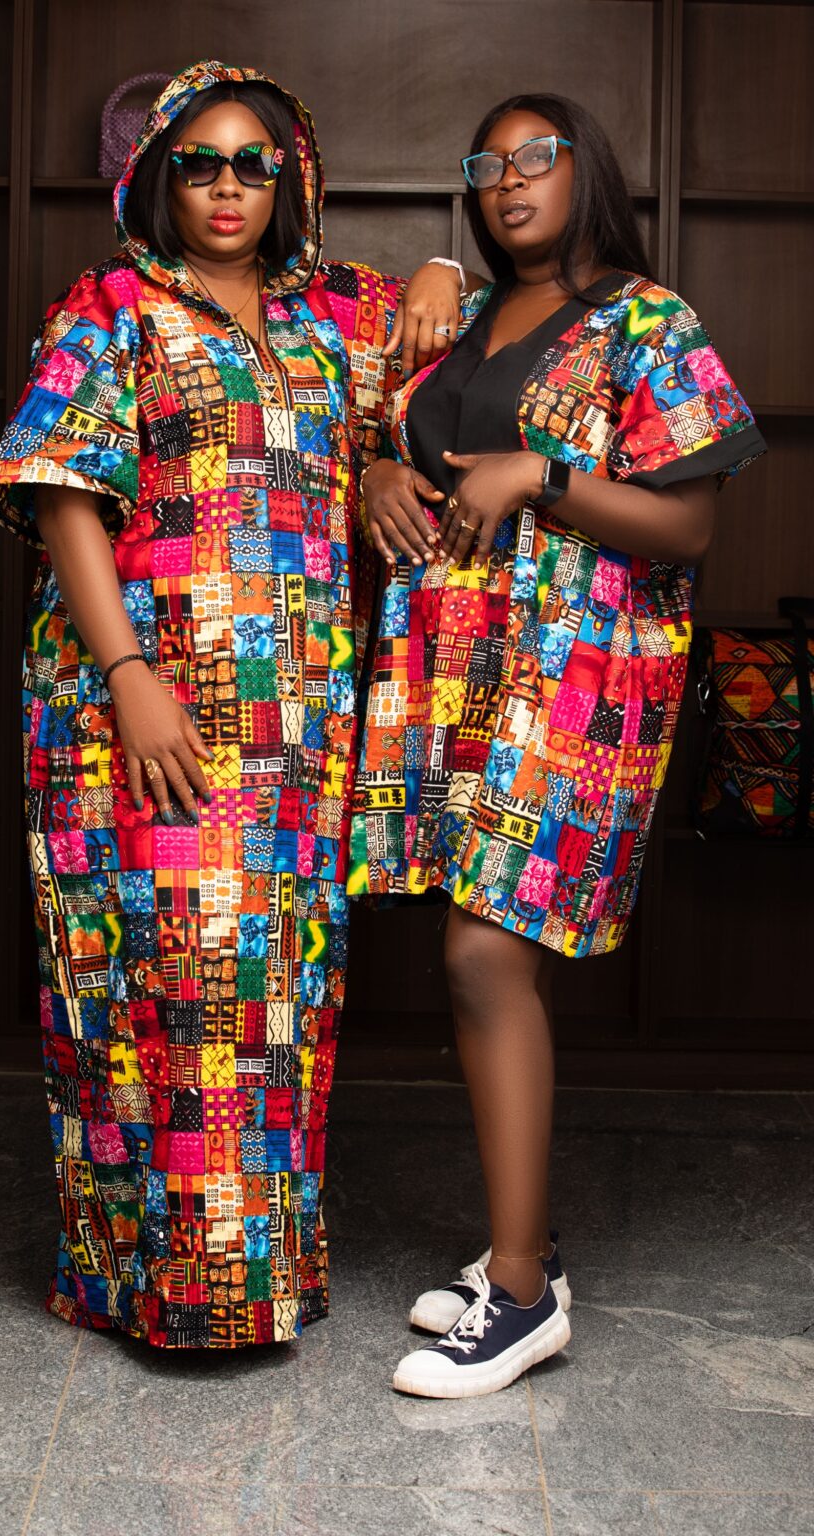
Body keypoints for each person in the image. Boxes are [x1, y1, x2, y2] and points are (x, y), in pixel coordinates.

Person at [0, 59, 464, 1351]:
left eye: (256, 162)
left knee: (272, 1001)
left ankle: (259, 1280)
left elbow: (478, 337)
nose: (228, 186)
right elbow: (61, 495)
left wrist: (442, 274)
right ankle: (154, 1289)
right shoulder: (112, 304)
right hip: (136, 708)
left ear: (291, 179)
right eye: (200, 162)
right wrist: (130, 680)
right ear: (159, 178)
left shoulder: (340, 311)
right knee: (153, 993)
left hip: (297, 721)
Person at [351, 92, 765, 1397]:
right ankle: (515, 1253)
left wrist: (539, 474)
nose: (511, 179)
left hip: (576, 673)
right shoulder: (460, 315)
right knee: (474, 951)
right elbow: (340, 373)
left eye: (538, 156)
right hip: (452, 674)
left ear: (588, 171)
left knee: (485, 955)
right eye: (487, 164)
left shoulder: (647, 319)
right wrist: (378, 471)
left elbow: (689, 525)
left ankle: (523, 1296)